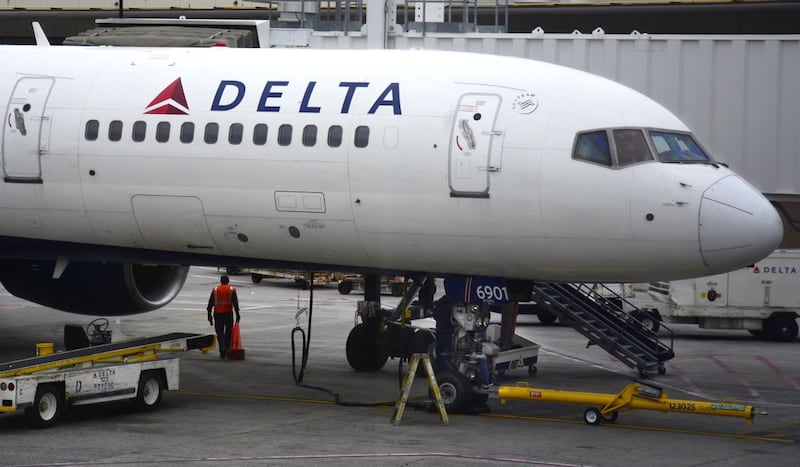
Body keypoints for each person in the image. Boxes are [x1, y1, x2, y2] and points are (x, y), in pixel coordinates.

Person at [207, 275, 241, 359]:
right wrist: (237, 314)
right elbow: (235, 303)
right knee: (228, 331)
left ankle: (222, 348)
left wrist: (209, 316)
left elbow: (210, 304)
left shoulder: (215, 290)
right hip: (228, 313)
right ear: (228, 281)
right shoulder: (232, 290)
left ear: (220, 281)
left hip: (218, 314)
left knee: (219, 332)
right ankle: (226, 348)